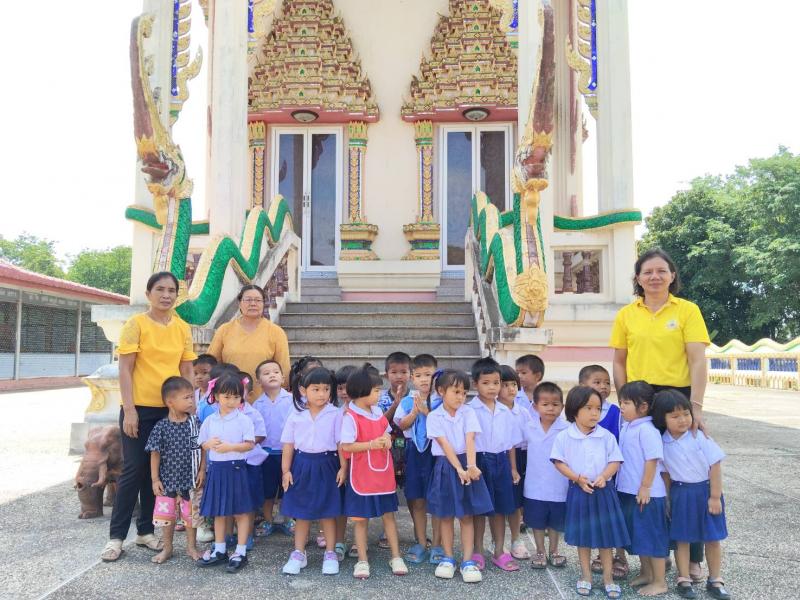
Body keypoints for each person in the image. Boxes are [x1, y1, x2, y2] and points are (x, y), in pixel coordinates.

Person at [610, 248, 712, 580]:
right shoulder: (627, 314)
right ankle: (656, 556)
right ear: (638, 278)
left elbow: (697, 360)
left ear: (672, 276)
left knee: (685, 476)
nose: (654, 276)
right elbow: (619, 361)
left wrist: (696, 406)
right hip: (641, 398)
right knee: (647, 478)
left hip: (677, 398)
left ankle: (692, 557)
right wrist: (626, 400)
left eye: (661, 271)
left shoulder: (687, 310)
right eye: (647, 272)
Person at [101, 271, 197, 563]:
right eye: (160, 289)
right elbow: (125, 369)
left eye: (171, 290)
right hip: (139, 409)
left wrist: (190, 403)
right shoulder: (136, 324)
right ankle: (116, 538)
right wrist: (129, 409)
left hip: (170, 411)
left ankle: (145, 531)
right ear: (148, 294)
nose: (166, 295)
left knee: (157, 473)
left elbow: (187, 368)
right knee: (134, 469)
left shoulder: (182, 328)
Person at [551, 386, 629, 599]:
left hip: (604, 492)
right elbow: (559, 462)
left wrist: (604, 475)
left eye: (598, 408)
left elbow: (615, 461)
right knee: (583, 538)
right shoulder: (565, 436)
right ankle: (586, 575)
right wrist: (576, 478)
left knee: (606, 538)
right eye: (588, 408)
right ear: (574, 410)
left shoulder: (606, 436)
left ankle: (608, 578)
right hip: (579, 491)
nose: (595, 413)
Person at [652, 390, 730, 600]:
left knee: (712, 538)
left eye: (686, 414)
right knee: (682, 538)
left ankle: (715, 579)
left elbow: (715, 464)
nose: (683, 420)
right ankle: (684, 578)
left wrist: (715, 496)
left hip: (706, 492)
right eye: (675, 416)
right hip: (681, 493)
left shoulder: (698, 436)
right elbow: (665, 475)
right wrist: (668, 500)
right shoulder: (661, 442)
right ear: (662, 419)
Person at [340, 365, 409, 579]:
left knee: (389, 516)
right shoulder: (350, 416)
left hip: (382, 473)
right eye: (376, 391)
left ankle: (396, 556)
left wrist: (387, 439)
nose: (379, 394)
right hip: (361, 475)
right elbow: (346, 446)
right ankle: (362, 560)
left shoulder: (377, 412)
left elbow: (386, 432)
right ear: (361, 392)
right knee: (360, 519)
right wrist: (371, 444)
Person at [426, 369, 493, 584]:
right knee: (445, 515)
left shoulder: (468, 412)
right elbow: (444, 445)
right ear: (441, 391)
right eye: (456, 392)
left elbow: (470, 439)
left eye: (464, 393)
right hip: (446, 466)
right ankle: (448, 558)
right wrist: (459, 469)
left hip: (467, 461)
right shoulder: (434, 416)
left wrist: (471, 466)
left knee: (466, 515)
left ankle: (467, 560)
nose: (460, 397)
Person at [280, 367, 346, 577]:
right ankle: (299, 553)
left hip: (328, 464)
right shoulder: (296, 414)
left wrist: (344, 467)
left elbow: (340, 443)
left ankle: (330, 553)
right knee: (302, 512)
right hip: (301, 464)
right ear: (303, 390)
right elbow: (288, 444)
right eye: (316, 389)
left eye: (326, 389)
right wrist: (286, 471)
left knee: (328, 511)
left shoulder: (335, 413)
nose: (321, 394)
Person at [196, 372, 256, 573]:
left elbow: (249, 444)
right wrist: (208, 444)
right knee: (219, 511)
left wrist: (230, 446)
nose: (231, 401)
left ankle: (240, 551)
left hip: (236, 469)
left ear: (242, 398)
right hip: (217, 469)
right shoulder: (210, 420)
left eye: (236, 397)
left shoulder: (244, 420)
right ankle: (220, 549)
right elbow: (202, 444)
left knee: (241, 511)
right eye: (226, 396)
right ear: (216, 396)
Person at [616, 381, 669, 597]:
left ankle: (660, 581)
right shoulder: (628, 426)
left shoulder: (647, 430)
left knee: (652, 537)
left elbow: (652, 459)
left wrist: (645, 486)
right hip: (629, 491)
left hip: (647, 494)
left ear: (643, 407)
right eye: (621, 401)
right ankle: (647, 573)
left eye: (626, 403)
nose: (621, 406)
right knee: (640, 536)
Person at [145, 376, 205, 563]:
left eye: (192, 397)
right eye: (186, 397)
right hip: (167, 480)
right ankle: (168, 548)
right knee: (167, 516)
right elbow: (155, 453)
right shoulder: (161, 427)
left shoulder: (194, 422)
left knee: (190, 515)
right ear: (170, 402)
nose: (191, 401)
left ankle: (191, 547)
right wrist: (155, 479)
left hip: (191, 479)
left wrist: (202, 470)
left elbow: (203, 447)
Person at [468, 357, 520, 572]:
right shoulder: (469, 410)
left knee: (500, 509)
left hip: (501, 461)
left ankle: (499, 551)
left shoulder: (505, 411)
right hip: (479, 462)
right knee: (480, 509)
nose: (492, 387)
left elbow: (510, 444)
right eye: (486, 383)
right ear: (475, 384)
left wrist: (513, 468)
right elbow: (469, 440)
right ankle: (477, 550)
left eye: (496, 383)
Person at [394, 353, 442, 564]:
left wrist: (427, 412)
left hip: (437, 453)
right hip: (414, 453)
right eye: (419, 375)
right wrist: (415, 412)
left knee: (437, 500)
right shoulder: (407, 401)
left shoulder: (442, 401)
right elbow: (401, 424)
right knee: (418, 500)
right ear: (412, 378)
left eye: (428, 375)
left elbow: (446, 427)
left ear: (436, 376)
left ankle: (438, 544)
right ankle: (421, 542)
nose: (424, 380)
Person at [580, 364, 627, 578]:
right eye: (597, 382)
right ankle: (600, 553)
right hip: (588, 475)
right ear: (582, 385)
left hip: (611, 472)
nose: (603, 386)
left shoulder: (616, 411)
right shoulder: (578, 412)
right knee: (597, 515)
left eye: (607, 382)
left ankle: (620, 555)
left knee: (615, 513)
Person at [207, 284, 290, 400]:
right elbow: (211, 364)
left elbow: (284, 368)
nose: (253, 304)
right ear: (240, 303)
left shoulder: (276, 332)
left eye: (258, 300)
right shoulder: (224, 330)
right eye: (248, 300)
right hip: (230, 400)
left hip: (265, 400)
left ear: (264, 303)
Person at [521, 382, 569, 569]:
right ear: (535, 407)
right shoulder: (529, 427)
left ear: (562, 407)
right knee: (537, 521)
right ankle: (540, 550)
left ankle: (554, 550)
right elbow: (519, 449)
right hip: (534, 484)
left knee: (555, 522)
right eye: (545, 404)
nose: (550, 408)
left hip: (559, 484)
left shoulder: (567, 429)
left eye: (555, 404)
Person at [252, 359, 295, 538]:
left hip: (288, 452)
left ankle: (288, 519)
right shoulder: (257, 404)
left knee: (288, 489)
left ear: (283, 377)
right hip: (266, 454)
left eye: (276, 372)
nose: (272, 375)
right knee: (268, 491)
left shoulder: (292, 400)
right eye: (266, 373)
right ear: (258, 381)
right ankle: (268, 520)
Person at [497, 364, 531, 560]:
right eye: (505, 385)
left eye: (514, 384)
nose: (511, 389)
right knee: (501, 501)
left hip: (520, 455)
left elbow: (528, 438)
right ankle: (497, 541)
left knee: (516, 501)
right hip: (500, 456)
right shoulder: (495, 411)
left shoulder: (523, 412)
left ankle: (516, 539)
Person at [333, 364, 357, 560]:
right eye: (340, 388)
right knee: (340, 503)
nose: (344, 392)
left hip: (361, 463)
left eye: (347, 387)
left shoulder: (367, 411)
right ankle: (339, 541)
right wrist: (343, 466)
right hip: (340, 463)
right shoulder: (337, 413)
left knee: (358, 505)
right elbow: (337, 442)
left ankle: (358, 541)